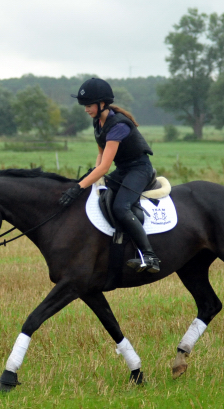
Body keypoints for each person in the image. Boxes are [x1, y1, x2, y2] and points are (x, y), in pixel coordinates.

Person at [58, 77, 161, 273]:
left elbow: (104, 167)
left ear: (102, 103)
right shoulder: (98, 122)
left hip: (139, 169)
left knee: (121, 207)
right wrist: (94, 179)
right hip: (123, 170)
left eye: (88, 105)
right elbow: (100, 155)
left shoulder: (118, 126)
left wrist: (79, 186)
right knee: (99, 197)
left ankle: (150, 256)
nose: (86, 109)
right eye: (84, 106)